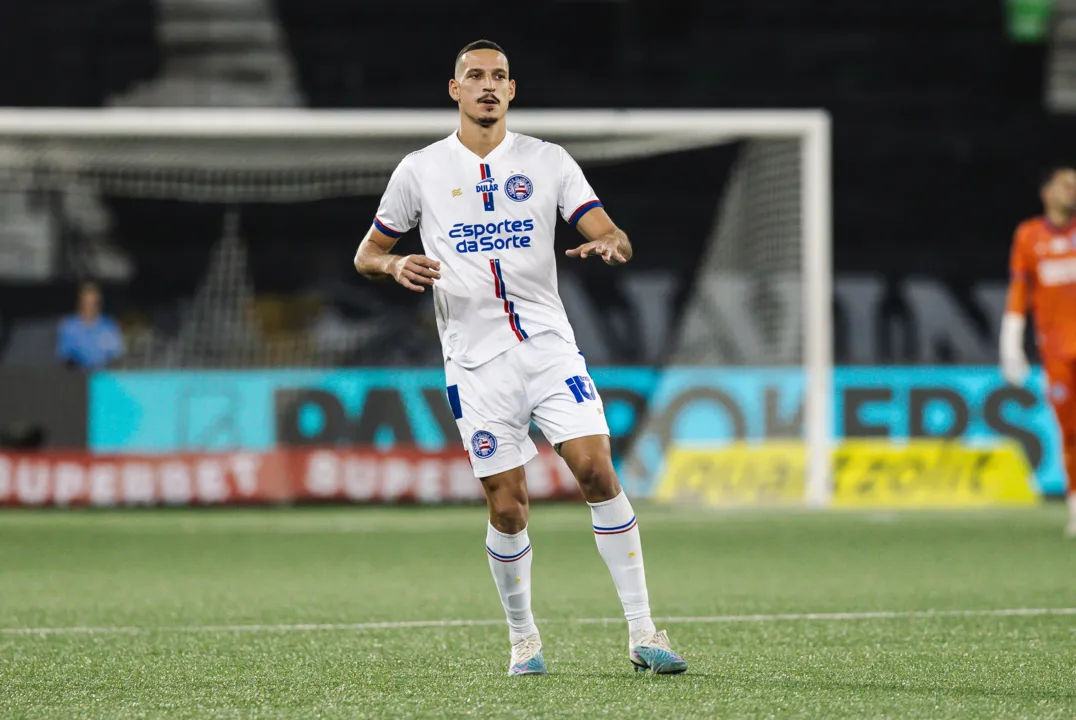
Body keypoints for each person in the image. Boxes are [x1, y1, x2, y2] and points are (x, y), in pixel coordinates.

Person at [354, 40, 687, 676]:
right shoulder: (419, 170)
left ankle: (645, 630)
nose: (487, 86)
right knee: (507, 505)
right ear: (453, 90)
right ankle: (523, 640)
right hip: (475, 365)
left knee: (595, 470)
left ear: (512, 90)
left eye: (498, 77)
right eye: (474, 76)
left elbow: (606, 229)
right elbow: (366, 254)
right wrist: (394, 262)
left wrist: (612, 245)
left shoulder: (548, 161)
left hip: (549, 349)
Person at [1001, 167, 1076, 536]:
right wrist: (1010, 342)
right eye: (1065, 184)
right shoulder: (1029, 236)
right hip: (1058, 353)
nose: (1072, 190)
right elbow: (1019, 292)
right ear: (1046, 192)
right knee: (1070, 431)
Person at [56, 281, 124, 369]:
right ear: (80, 302)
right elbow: (64, 356)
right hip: (76, 376)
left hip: (104, 375)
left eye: (94, 303)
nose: (90, 307)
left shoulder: (109, 325)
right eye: (87, 302)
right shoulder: (68, 326)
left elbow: (117, 354)